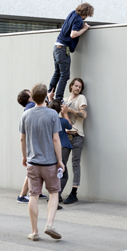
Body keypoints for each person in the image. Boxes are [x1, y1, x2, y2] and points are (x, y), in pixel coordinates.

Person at [19, 83, 64, 241]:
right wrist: (60, 160)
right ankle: (49, 224)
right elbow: (56, 139)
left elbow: (22, 138)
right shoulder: (52, 114)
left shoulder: (26, 115)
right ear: (46, 97)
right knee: (53, 193)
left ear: (32, 97)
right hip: (49, 163)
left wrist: (25, 156)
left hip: (33, 162)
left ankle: (34, 231)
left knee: (33, 195)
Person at [48, 3, 94, 102]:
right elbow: (73, 34)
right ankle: (59, 99)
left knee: (57, 73)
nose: (87, 17)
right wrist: (84, 28)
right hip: (63, 49)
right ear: (86, 13)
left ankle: (49, 93)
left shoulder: (72, 13)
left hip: (56, 47)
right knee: (65, 75)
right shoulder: (78, 19)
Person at [16, 89, 47, 204]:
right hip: (35, 144)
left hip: (33, 143)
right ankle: (22, 195)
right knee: (32, 171)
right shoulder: (31, 106)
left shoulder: (29, 107)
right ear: (29, 98)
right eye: (31, 93)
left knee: (37, 169)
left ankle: (37, 191)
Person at [61, 78, 87, 204]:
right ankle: (57, 192)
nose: (77, 88)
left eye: (79, 87)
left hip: (77, 136)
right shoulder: (65, 100)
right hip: (66, 137)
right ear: (71, 86)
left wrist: (69, 110)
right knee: (61, 164)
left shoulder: (81, 98)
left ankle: (73, 193)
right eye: (75, 86)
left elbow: (84, 114)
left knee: (75, 164)